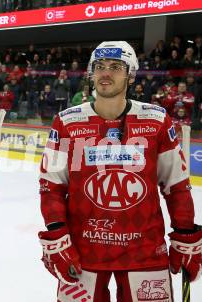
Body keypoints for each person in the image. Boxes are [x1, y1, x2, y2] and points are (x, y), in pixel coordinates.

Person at [38, 41, 202, 302]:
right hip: (84, 251)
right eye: (99, 67)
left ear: (130, 74)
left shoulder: (156, 120)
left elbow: (176, 186)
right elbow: (51, 187)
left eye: (115, 67)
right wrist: (57, 235)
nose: (106, 73)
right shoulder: (67, 122)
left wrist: (185, 236)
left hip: (145, 251)